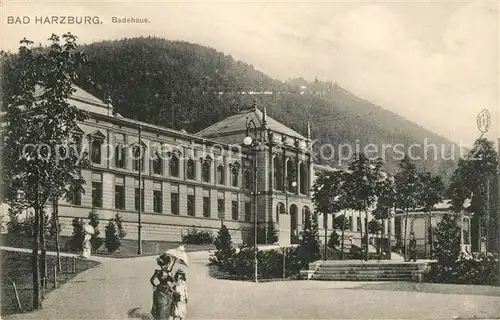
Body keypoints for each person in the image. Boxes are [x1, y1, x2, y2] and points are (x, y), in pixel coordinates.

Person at [150, 253, 175, 320]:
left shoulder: (168, 272)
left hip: (167, 289)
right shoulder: (158, 272)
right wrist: (154, 286)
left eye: (167, 264)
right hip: (160, 289)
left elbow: (173, 281)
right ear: (161, 264)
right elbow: (151, 280)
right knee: (161, 305)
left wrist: (170, 276)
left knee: (168, 305)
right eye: (163, 264)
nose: (165, 266)